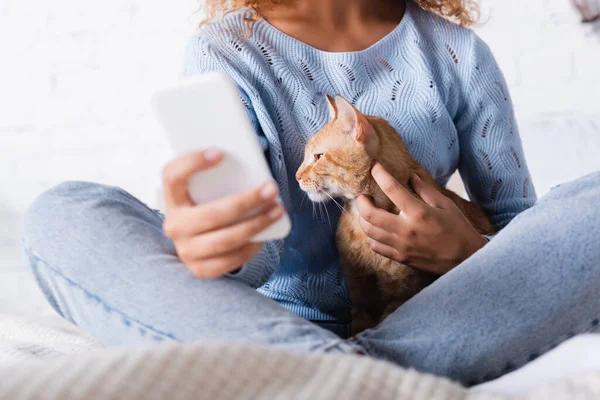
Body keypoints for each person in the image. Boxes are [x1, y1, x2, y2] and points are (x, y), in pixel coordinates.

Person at [22, 0, 600, 386]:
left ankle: (321, 380)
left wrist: (467, 251)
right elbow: (257, 259)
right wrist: (220, 245)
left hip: (438, 316)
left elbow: (523, 230)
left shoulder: (457, 53)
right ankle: (359, 377)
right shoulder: (226, 52)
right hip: (267, 321)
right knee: (65, 214)